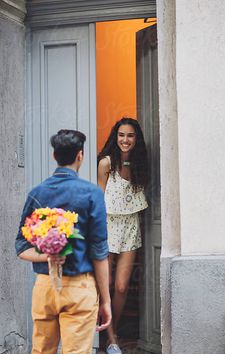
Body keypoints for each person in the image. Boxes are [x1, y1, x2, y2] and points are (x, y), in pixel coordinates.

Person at [15, 129, 112, 354]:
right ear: (80, 155)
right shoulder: (92, 194)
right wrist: (105, 301)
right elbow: (99, 252)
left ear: (54, 156)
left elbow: (21, 246)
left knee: (41, 350)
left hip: (45, 286)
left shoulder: (37, 193)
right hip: (79, 287)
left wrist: (47, 256)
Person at [97, 117, 148, 354]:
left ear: (136, 139)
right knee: (105, 284)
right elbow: (99, 201)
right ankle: (111, 336)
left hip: (130, 227)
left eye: (130, 135)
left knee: (120, 286)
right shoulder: (106, 164)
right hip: (108, 225)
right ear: (115, 137)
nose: (125, 140)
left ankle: (110, 330)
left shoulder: (140, 165)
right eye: (121, 135)